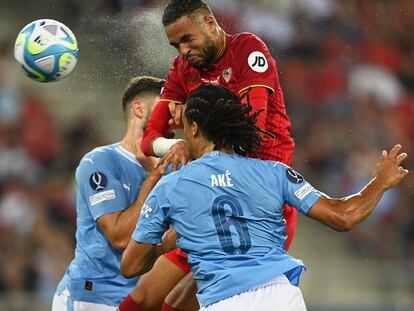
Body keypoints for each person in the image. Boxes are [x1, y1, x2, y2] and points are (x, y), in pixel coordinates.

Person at [120, 84, 408, 311]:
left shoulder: (172, 186)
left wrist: (164, 247)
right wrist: (380, 182)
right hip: (282, 299)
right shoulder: (275, 172)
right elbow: (344, 216)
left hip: (223, 302)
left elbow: (130, 266)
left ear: (193, 128)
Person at [126, 1, 297, 309]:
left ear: (208, 22)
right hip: (213, 198)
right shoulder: (183, 69)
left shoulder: (247, 50)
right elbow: (149, 139)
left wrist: (193, 136)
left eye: (187, 39)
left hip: (260, 204)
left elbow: (251, 135)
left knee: (175, 302)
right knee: (145, 297)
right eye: (175, 44)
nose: (182, 50)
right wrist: (176, 144)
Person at [52, 76, 175, 310]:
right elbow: (120, 237)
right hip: (92, 297)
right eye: (164, 107)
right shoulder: (100, 161)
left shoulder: (172, 168)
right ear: (139, 109)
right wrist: (152, 179)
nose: (171, 118)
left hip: (140, 298)